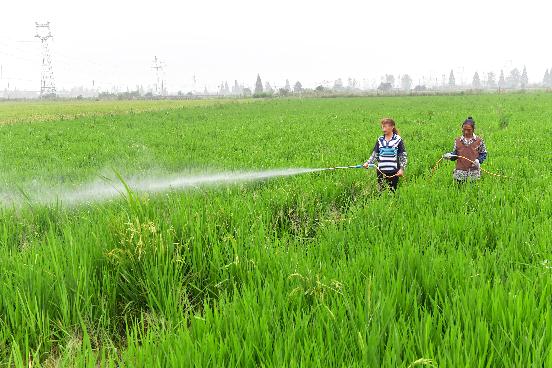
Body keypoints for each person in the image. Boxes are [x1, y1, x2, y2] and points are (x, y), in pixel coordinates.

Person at [363, 118, 407, 192]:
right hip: (381, 171)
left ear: (392, 127)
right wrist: (368, 163)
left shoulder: (398, 140)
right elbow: (375, 155)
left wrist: (402, 169)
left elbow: (403, 156)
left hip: (394, 172)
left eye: (385, 127)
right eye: (382, 127)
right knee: (381, 192)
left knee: (392, 192)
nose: (383, 129)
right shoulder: (380, 140)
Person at [442, 116, 487, 182]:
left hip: (473, 174)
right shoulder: (457, 140)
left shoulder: (479, 141)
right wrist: (450, 156)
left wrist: (478, 160)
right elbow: (455, 154)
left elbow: (483, 153)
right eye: (464, 129)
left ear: (473, 129)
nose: (466, 132)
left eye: (469, 130)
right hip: (459, 174)